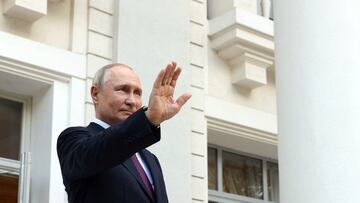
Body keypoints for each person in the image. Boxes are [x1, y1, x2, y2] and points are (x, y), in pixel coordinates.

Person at [57, 62, 191, 203]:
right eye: (123, 90)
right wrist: (148, 118)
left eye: (137, 93)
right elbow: (106, 147)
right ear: (95, 94)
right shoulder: (73, 140)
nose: (132, 101)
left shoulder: (150, 159)